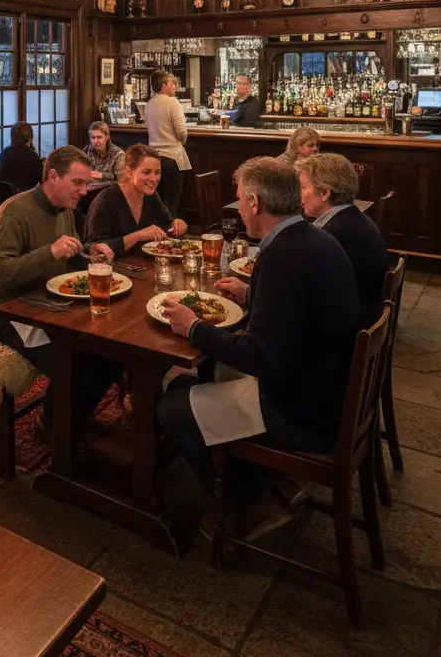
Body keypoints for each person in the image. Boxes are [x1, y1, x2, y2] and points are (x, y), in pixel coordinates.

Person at [157, 157, 364, 540]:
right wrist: (252, 294)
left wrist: (195, 327)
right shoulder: (316, 239)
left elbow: (261, 358)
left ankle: (248, 503)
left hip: (303, 414)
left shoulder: (280, 255)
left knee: (170, 408)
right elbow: (297, 310)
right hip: (330, 391)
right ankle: (262, 477)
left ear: (254, 203)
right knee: (182, 387)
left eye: (239, 199)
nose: (238, 207)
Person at [0, 145, 120, 440]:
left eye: (87, 183)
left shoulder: (64, 211)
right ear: (54, 176)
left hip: (51, 307)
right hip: (11, 315)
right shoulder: (14, 212)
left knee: (112, 353)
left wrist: (88, 252)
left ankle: (70, 417)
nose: (84, 191)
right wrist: (50, 251)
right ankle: (51, 426)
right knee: (76, 364)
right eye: (78, 183)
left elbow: (67, 258)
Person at [297, 152, 390, 324]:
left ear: (325, 193)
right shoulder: (354, 217)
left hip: (345, 330)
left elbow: (303, 296)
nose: (298, 194)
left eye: (303, 187)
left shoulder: (334, 234)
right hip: (363, 311)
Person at [85, 144, 188, 257]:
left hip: (143, 266)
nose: (154, 179)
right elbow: (94, 249)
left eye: (157, 172)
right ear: (129, 172)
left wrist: (176, 224)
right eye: (146, 172)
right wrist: (138, 235)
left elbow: (166, 224)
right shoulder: (106, 200)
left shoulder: (150, 196)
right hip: (113, 269)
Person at [145, 69, 190, 216]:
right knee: (172, 202)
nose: (174, 86)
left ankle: (157, 232)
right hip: (172, 158)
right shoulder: (172, 102)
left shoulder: (149, 104)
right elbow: (182, 132)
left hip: (154, 158)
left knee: (157, 201)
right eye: (172, 83)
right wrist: (182, 141)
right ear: (164, 85)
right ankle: (170, 230)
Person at [0, 121, 44, 194]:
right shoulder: (32, 156)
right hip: (24, 200)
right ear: (29, 137)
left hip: (2, 199)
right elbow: (41, 182)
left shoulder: (4, 152)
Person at [84, 121, 126, 185]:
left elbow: (122, 181)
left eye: (99, 137)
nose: (96, 141)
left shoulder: (119, 154)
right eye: (93, 138)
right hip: (89, 190)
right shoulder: (86, 150)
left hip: (109, 191)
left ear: (107, 137)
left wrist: (103, 175)